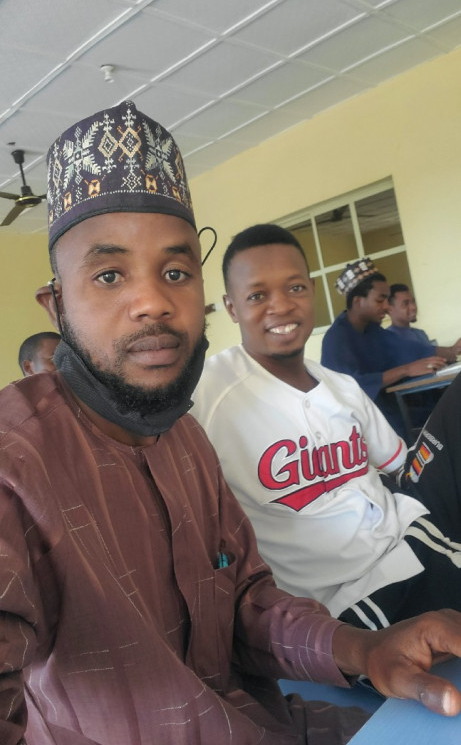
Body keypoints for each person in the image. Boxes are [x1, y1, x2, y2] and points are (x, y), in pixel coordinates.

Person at [1, 106, 461, 745]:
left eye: (175, 272)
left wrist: (363, 650)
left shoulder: (184, 437)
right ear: (57, 305)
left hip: (277, 719)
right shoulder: (16, 464)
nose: (153, 301)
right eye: (109, 275)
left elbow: (246, 601)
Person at [192, 223, 461, 635]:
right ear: (231, 308)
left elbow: (401, 467)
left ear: (312, 291)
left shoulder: (342, 388)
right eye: (258, 296)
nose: (281, 306)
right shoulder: (208, 392)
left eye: (295, 288)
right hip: (346, 601)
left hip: (411, 539)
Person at [320, 259, 445, 438]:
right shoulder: (336, 339)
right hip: (360, 428)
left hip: (390, 413)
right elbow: (350, 387)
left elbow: (408, 349)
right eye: (380, 300)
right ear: (358, 301)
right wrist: (406, 370)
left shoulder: (373, 331)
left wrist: (449, 351)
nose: (387, 307)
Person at [387, 283, 461, 363]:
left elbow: (431, 359)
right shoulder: (389, 338)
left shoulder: (420, 333)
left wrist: (451, 355)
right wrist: (451, 350)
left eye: (413, 302)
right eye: (406, 303)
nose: (413, 307)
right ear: (390, 309)